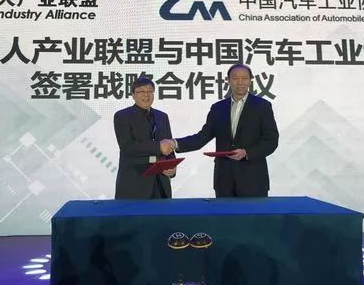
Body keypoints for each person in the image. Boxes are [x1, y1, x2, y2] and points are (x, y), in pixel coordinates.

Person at [163, 64, 278, 197]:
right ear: (228, 81)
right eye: (235, 78)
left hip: (253, 179)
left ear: (250, 80)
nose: (240, 82)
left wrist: (247, 152)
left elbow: (271, 141)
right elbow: (202, 137)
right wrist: (175, 143)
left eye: (244, 78)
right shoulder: (218, 108)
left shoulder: (262, 106)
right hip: (224, 180)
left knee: (254, 212)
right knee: (224, 211)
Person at [114, 77, 176, 199]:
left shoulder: (162, 116)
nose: (146, 95)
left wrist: (172, 167)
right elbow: (127, 147)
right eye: (141, 91)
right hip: (134, 184)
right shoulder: (122, 116)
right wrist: (158, 147)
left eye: (149, 91)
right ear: (133, 95)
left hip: (161, 184)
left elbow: (168, 145)